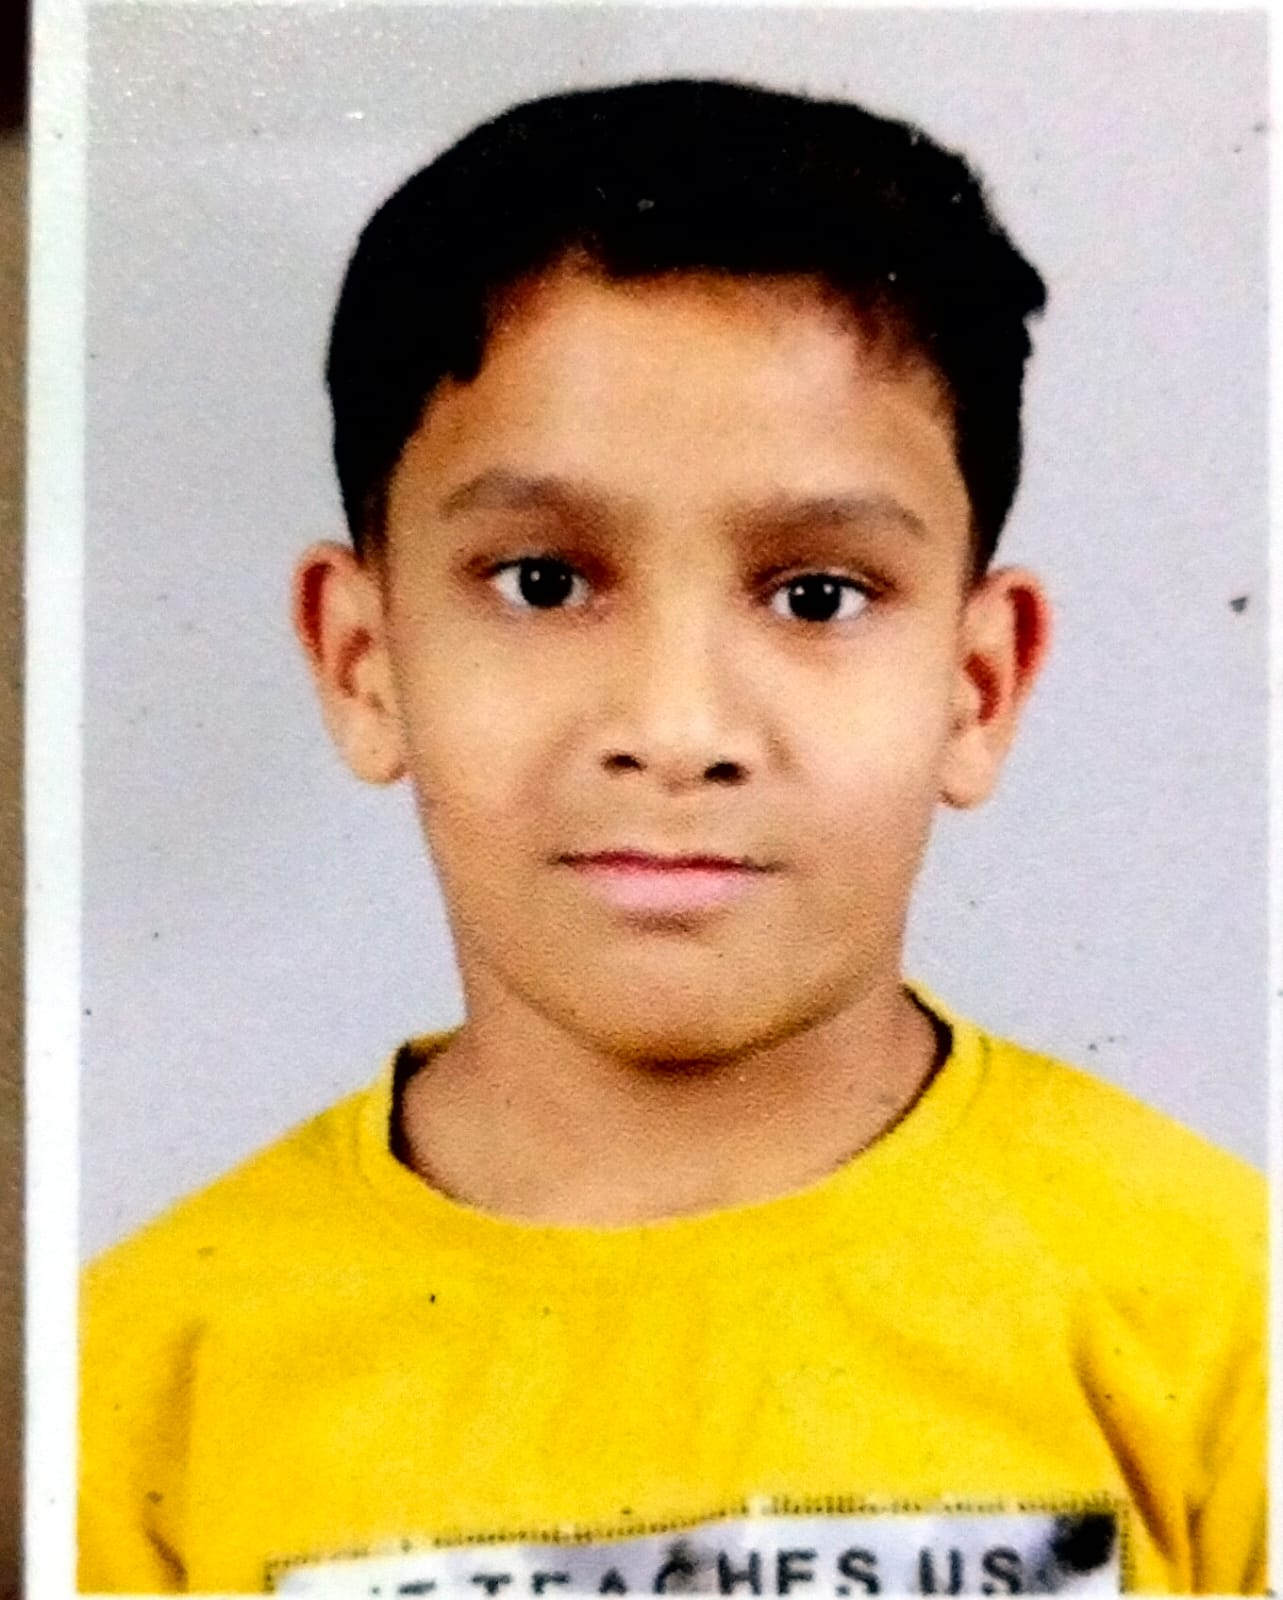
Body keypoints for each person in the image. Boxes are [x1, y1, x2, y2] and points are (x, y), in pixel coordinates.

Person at [79, 79, 1265, 1595]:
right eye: (544, 582)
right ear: (364, 664)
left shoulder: (1226, 1314)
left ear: (979, 686)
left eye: (818, 595)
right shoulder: (135, 1388)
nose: (677, 724)